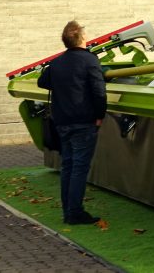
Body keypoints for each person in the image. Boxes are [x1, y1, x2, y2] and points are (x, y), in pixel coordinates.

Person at [37, 21, 106, 225]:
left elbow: (42, 81)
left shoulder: (58, 62)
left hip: (62, 121)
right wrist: (100, 114)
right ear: (83, 38)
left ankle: (68, 210)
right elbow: (99, 91)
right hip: (83, 120)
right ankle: (75, 212)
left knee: (68, 165)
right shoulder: (90, 60)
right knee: (79, 167)